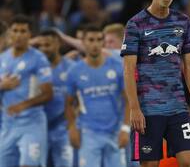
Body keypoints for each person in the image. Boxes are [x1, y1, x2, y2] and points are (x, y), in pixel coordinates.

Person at [121, 0, 190, 167]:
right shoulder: (135, 24)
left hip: (178, 107)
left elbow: (189, 65)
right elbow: (128, 70)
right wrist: (134, 108)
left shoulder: (182, 22)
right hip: (148, 109)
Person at [65, 26, 130, 167]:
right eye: (91, 40)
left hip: (115, 131)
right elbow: (69, 103)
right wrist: (71, 127)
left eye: (99, 40)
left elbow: (128, 99)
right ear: (83, 42)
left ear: (102, 42)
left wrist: (125, 128)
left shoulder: (118, 67)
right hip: (88, 133)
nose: (95, 44)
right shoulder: (74, 71)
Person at [0, 14, 53, 167]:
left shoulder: (39, 59)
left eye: (23, 31)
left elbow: (48, 94)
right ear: (9, 33)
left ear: (30, 35)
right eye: (15, 30)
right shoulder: (2, 59)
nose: (18, 35)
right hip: (8, 125)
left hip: (32, 124)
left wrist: (23, 105)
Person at [37, 30, 75, 167]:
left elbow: (78, 100)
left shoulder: (71, 68)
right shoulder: (35, 69)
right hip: (39, 128)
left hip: (63, 129)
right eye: (40, 46)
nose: (43, 49)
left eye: (47, 45)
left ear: (58, 44)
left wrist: (72, 125)